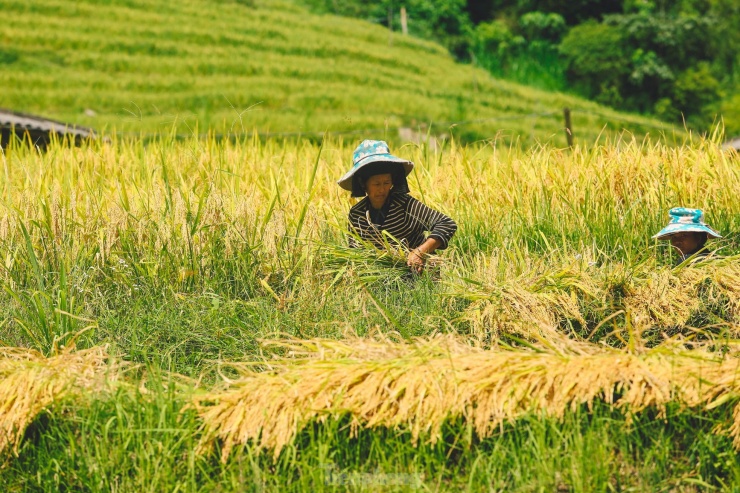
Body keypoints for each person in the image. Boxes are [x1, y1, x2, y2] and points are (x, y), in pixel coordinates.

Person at [337, 140, 457, 273]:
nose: (382, 189)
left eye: (386, 182)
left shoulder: (404, 204)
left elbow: (446, 223)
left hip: (419, 275)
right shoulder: (357, 214)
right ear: (363, 184)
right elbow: (356, 252)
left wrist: (420, 252)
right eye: (376, 184)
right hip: (382, 279)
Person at [653, 207, 722, 263]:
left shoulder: (686, 261)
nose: (677, 241)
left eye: (683, 236)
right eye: (674, 237)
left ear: (698, 237)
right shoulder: (717, 259)